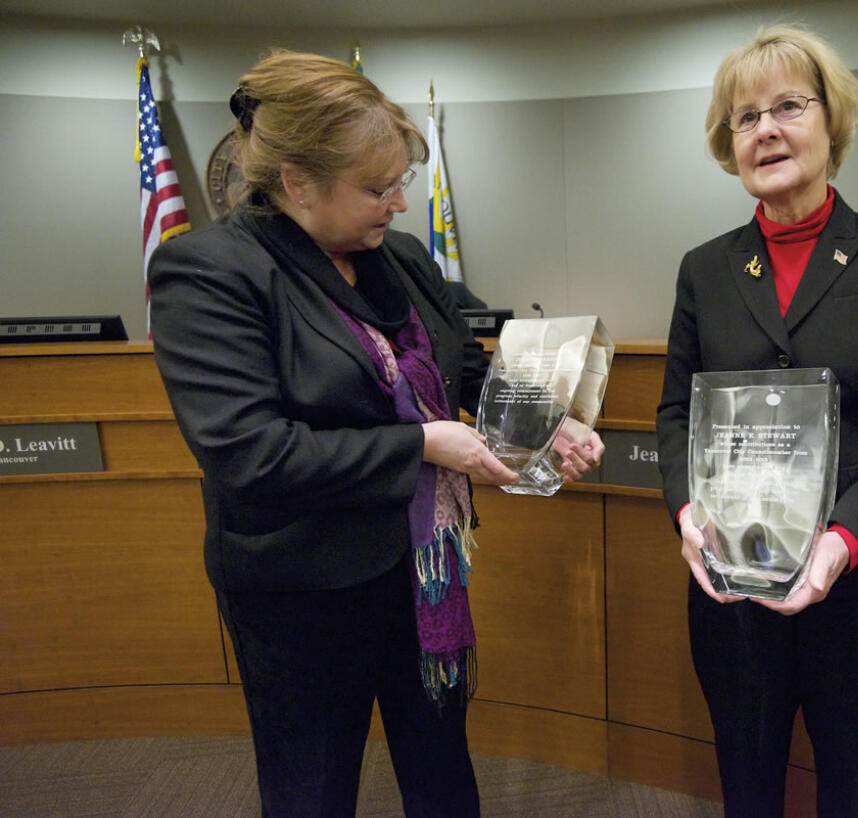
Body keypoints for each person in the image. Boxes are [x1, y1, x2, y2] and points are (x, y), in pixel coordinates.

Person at [149, 51, 602, 817]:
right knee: (314, 784)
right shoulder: (209, 272)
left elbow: (461, 371)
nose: (396, 203)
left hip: (421, 570)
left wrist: (544, 426)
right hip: (302, 590)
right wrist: (423, 446)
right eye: (374, 188)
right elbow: (249, 455)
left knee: (440, 762)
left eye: (401, 182)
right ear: (297, 182)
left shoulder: (401, 257)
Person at [655, 26, 858, 818]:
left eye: (788, 106)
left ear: (832, 123)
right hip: (736, 588)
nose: (766, 129)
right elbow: (675, 414)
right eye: (744, 116)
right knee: (748, 785)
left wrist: (842, 541)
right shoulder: (704, 268)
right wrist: (688, 512)